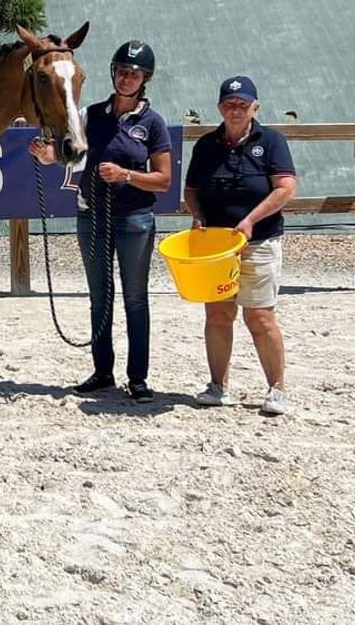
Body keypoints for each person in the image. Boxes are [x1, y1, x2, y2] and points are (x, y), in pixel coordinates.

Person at [29, 41, 173, 403]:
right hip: (92, 215)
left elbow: (163, 179)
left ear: (144, 79)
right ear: (113, 73)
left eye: (134, 74)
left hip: (134, 219)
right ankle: (103, 371)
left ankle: (138, 377)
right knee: (99, 297)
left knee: (136, 299)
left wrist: (127, 175)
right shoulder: (90, 115)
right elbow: (73, 155)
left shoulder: (152, 124)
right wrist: (48, 156)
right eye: (122, 71)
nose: (126, 78)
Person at [184, 76, 297, 416]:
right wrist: (197, 214)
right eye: (229, 104)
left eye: (242, 105)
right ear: (220, 107)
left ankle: (277, 388)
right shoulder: (206, 145)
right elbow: (191, 189)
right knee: (218, 315)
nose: (235, 110)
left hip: (259, 241)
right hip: (216, 247)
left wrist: (250, 220)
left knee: (260, 316)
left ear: (255, 107)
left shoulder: (272, 141)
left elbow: (285, 188)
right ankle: (218, 385)